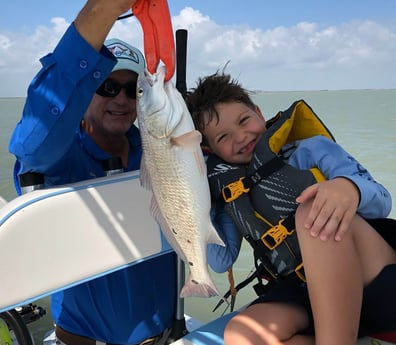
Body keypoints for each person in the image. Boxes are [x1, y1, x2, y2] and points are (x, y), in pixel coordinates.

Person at [8, 1, 240, 344]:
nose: (121, 98)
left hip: (167, 334)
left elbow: (220, 258)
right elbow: (33, 141)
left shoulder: (158, 148)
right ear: (84, 94)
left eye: (133, 89)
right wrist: (100, 12)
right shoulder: (59, 160)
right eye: (106, 86)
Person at [185, 71, 396, 345]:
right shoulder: (229, 188)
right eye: (223, 136)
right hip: (306, 293)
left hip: (376, 281)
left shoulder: (311, 149)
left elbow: (382, 201)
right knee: (242, 335)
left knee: (311, 211)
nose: (241, 137)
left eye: (244, 120)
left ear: (259, 113)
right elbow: (221, 259)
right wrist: (197, 201)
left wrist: (349, 188)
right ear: (210, 149)